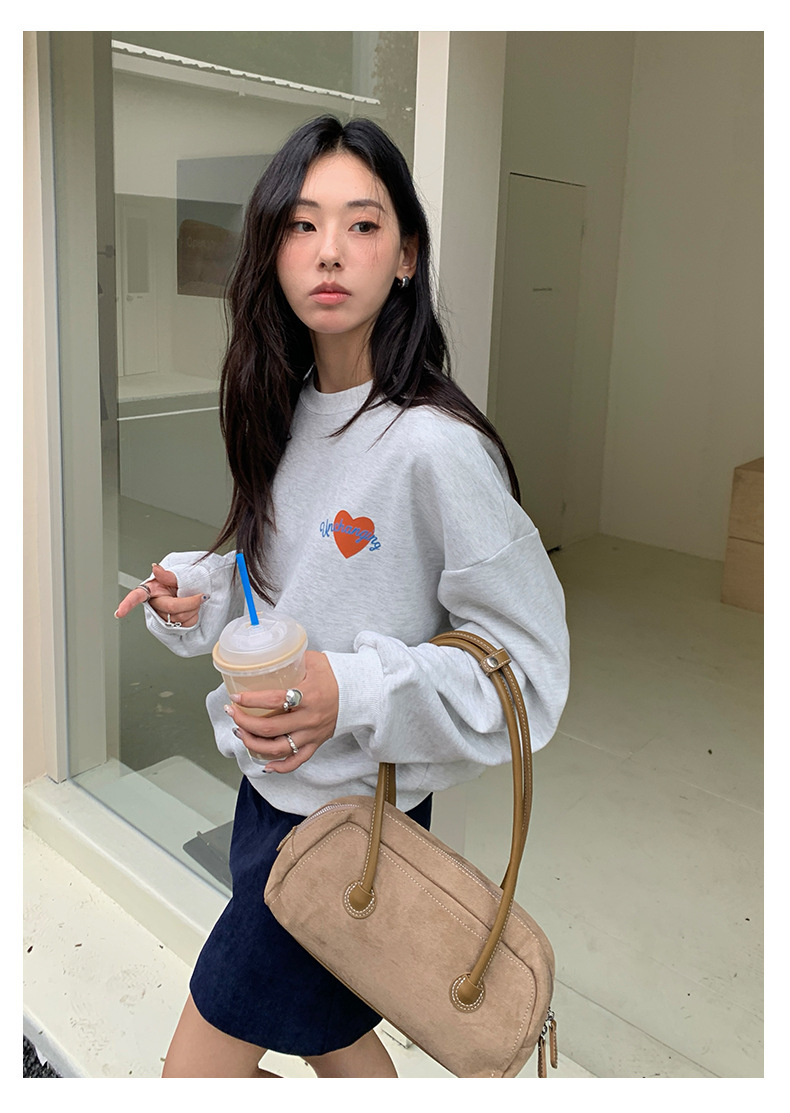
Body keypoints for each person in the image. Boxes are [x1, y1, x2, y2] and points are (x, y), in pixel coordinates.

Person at [115, 114, 570, 1078]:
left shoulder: (435, 446)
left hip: (357, 825)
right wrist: (202, 588)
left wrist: (349, 690)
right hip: (269, 795)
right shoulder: (282, 408)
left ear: (406, 256)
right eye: (303, 224)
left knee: (191, 1074)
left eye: (363, 224)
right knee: (334, 1038)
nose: (329, 251)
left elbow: (529, 674)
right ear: (274, 250)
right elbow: (286, 584)